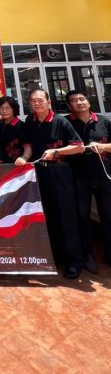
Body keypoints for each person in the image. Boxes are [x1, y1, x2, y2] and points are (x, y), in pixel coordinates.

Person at [17, 88, 85, 279]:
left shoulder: (60, 121)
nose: (36, 103)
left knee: (66, 217)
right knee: (47, 216)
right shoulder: (29, 122)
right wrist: (23, 158)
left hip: (60, 173)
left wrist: (57, 152)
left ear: (48, 102)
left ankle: (74, 261)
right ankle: (55, 257)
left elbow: (78, 147)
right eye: (33, 101)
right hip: (39, 174)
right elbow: (28, 148)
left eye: (40, 100)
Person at [66, 89, 111, 271]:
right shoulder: (67, 123)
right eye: (74, 101)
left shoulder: (104, 122)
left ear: (89, 102)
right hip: (79, 178)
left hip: (104, 177)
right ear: (70, 106)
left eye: (82, 99)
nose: (79, 102)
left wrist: (103, 146)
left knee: (108, 217)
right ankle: (87, 256)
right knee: (82, 218)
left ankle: (110, 255)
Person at [0, 96, 23, 163]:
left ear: (14, 109)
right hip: (2, 162)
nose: (4, 111)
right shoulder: (0, 123)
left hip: (18, 162)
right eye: (1, 108)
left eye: (7, 108)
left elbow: (27, 146)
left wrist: (24, 157)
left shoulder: (21, 126)